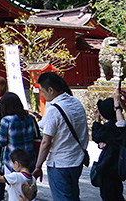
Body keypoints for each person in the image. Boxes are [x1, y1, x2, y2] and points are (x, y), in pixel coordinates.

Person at [32, 72, 89, 201]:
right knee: (73, 195)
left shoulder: (54, 109)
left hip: (60, 163)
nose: (41, 94)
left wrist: (38, 166)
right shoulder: (75, 102)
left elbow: (46, 142)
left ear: (51, 90)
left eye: (42, 90)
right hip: (77, 160)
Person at [91, 89, 126, 201]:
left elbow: (96, 136)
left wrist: (97, 120)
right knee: (116, 193)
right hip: (116, 169)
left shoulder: (111, 127)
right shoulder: (115, 127)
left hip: (109, 167)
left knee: (110, 195)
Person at [0, 92, 36, 173]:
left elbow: (2, 142)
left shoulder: (6, 120)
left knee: (12, 184)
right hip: (29, 160)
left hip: (13, 162)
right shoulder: (29, 118)